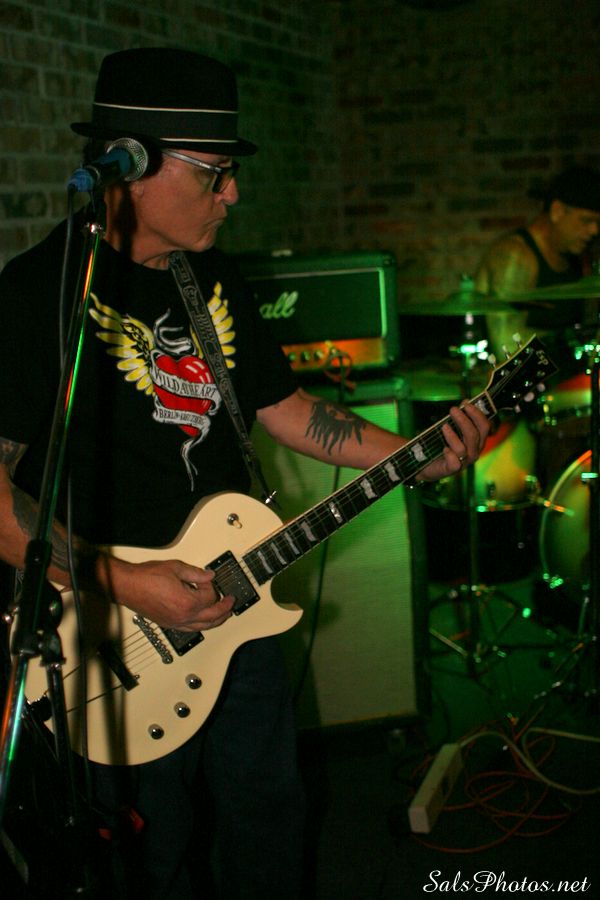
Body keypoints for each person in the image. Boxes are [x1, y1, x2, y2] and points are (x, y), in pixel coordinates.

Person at [0, 48, 489, 899]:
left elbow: (289, 411)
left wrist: (418, 450)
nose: (232, 194)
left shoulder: (212, 278)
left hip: (237, 601)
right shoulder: (36, 295)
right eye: (214, 173)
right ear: (132, 167)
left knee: (269, 813)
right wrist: (127, 582)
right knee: (152, 851)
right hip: (109, 637)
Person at [474, 165, 600, 364]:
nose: (594, 230)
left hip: (563, 378)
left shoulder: (577, 258)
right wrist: (571, 343)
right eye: (586, 220)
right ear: (557, 211)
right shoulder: (516, 256)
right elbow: (507, 349)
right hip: (520, 380)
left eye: (598, 223)